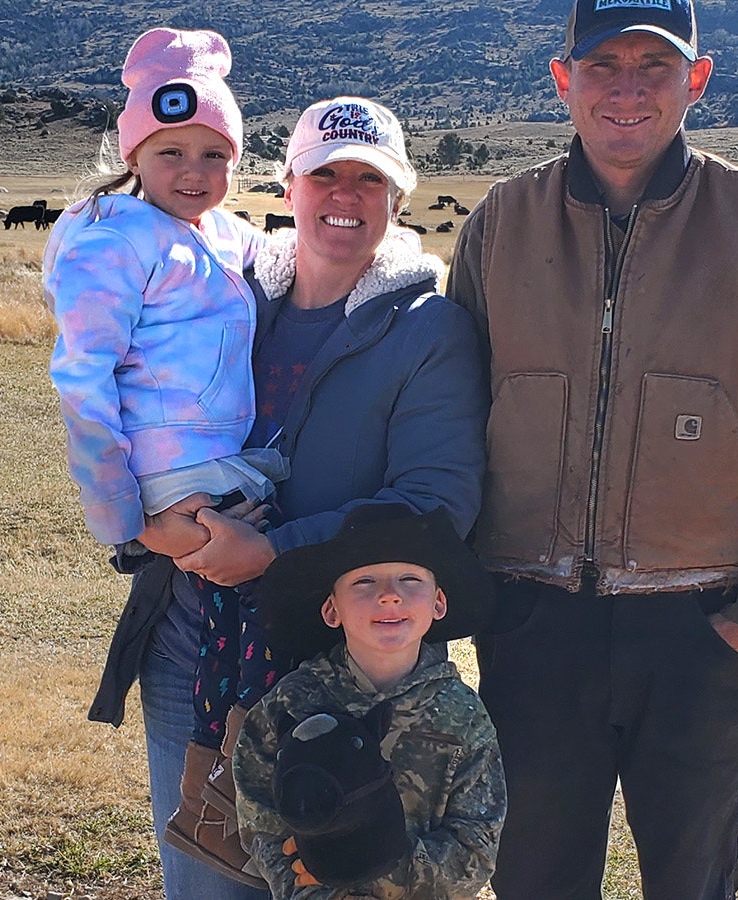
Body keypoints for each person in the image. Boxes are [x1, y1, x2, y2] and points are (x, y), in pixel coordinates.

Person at [445, 0, 738, 897]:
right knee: (535, 877)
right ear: (562, 80)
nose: (626, 90)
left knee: (693, 879)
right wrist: (472, 594)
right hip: (533, 622)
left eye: (655, 67)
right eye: (602, 66)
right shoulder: (500, 224)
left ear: (696, 81)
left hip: (698, 629)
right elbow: (450, 424)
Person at [88, 94, 489, 899]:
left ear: (398, 199)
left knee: (337, 879)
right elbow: (132, 411)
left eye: (368, 181)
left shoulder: (429, 331)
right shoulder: (227, 298)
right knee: (206, 880)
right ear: (286, 188)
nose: (344, 196)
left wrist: (272, 550)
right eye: (324, 175)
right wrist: (149, 526)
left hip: (351, 673)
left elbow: (434, 503)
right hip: (191, 647)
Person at [42, 27, 286, 886]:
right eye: (170, 149)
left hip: (220, 480)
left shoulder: (227, 235)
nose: (193, 170)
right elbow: (83, 382)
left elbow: (296, 261)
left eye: (214, 153)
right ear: (133, 150)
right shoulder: (114, 236)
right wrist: (129, 525)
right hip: (172, 491)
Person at [233, 502, 506, 899]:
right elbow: (262, 819)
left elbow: (476, 844)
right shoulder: (290, 705)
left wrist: (376, 873)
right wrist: (310, 883)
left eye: (410, 579)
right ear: (332, 609)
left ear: (438, 604)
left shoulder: (462, 717)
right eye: (364, 582)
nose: (390, 596)